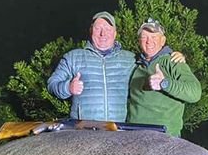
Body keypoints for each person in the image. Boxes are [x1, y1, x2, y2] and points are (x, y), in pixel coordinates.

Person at [47, 12, 187, 122]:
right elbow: (52, 84)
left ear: (115, 33)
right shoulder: (73, 57)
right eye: (98, 28)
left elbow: (150, 58)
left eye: (108, 29)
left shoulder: (130, 58)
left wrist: (172, 54)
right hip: (83, 131)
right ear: (91, 31)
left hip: (118, 131)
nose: (103, 33)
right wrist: (68, 88)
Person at [127, 19, 201, 137]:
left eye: (154, 37)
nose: (149, 41)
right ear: (139, 41)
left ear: (163, 41)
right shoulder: (136, 65)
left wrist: (164, 83)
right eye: (144, 37)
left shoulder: (173, 62)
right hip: (134, 136)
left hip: (164, 139)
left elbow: (195, 93)